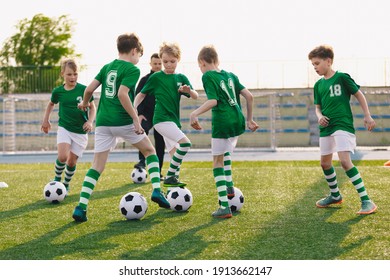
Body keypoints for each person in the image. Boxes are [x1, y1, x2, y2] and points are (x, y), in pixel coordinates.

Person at [72, 33, 170, 222]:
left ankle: (81, 207)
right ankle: (157, 190)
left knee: (97, 166)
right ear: (134, 51)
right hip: (123, 121)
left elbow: (89, 90)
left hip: (102, 123)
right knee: (150, 151)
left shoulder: (107, 67)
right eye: (139, 55)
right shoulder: (132, 70)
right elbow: (122, 94)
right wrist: (135, 119)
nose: (139, 59)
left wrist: (85, 103)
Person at [189, 45, 259, 218]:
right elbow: (249, 96)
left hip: (223, 121)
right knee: (226, 154)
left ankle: (224, 207)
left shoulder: (207, 76)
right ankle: (229, 188)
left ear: (202, 62)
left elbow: (213, 100)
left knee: (217, 162)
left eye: (199, 66)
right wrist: (249, 119)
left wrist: (194, 113)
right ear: (217, 60)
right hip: (238, 119)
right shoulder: (230, 75)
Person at [308, 45, 377, 215]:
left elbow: (359, 94)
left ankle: (366, 201)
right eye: (313, 65)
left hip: (342, 125)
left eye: (317, 63)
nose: (315, 67)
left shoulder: (341, 78)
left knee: (345, 161)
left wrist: (367, 115)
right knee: (325, 163)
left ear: (328, 61)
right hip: (326, 128)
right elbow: (318, 107)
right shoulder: (318, 85)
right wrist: (319, 116)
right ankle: (335, 195)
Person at [134, 42, 198, 189]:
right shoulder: (156, 77)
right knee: (186, 144)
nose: (168, 65)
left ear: (178, 60)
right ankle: (170, 176)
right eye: (165, 62)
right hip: (161, 119)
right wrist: (134, 109)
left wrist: (188, 90)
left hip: (173, 121)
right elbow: (141, 94)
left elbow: (195, 95)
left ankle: (174, 187)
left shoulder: (181, 77)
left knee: (175, 153)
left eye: (172, 62)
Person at [41, 58, 96, 194]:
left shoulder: (84, 90)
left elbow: (93, 107)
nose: (72, 77)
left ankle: (66, 184)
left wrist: (89, 122)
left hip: (80, 132)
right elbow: (51, 104)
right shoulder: (58, 91)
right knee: (63, 157)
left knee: (71, 162)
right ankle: (57, 179)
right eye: (69, 74)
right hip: (64, 128)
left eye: (75, 74)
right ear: (62, 75)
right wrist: (45, 120)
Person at [134, 53, 165, 180]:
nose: (157, 66)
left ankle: (158, 170)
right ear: (150, 64)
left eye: (159, 63)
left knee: (160, 143)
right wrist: (139, 114)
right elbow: (138, 95)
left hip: (160, 115)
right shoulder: (144, 80)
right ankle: (142, 161)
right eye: (155, 63)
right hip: (146, 114)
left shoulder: (165, 78)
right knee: (143, 134)